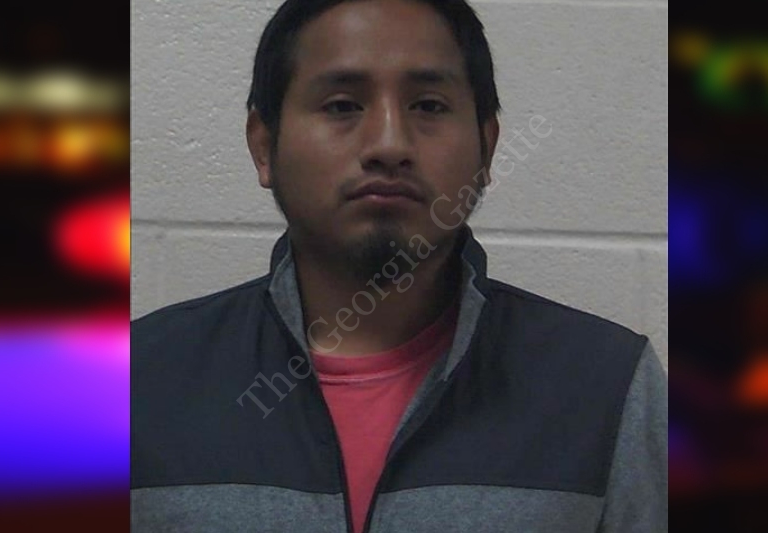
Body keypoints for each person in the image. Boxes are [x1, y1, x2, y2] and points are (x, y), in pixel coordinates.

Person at [131, 0, 667, 531]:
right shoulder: (133, 382)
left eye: (428, 106)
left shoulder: (608, 388)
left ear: (486, 147)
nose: (389, 144)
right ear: (264, 146)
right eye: (342, 105)